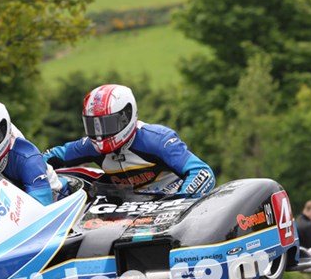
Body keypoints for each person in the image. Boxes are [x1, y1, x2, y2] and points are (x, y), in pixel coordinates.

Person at [44, 84, 215, 198]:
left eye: (107, 124)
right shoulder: (90, 146)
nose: (100, 133)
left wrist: (182, 200)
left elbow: (202, 172)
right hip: (127, 212)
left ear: (126, 116)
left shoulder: (157, 139)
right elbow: (49, 156)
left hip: (169, 204)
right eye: (94, 125)